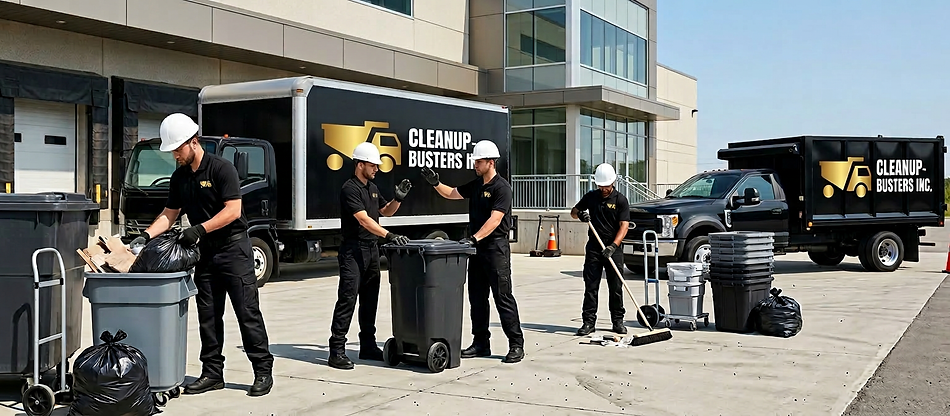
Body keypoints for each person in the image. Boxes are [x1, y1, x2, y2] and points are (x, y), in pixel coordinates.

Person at [130, 113, 274, 396]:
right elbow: (169, 215)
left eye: (177, 149)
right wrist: (146, 235)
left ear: (193, 142)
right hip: (205, 255)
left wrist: (198, 229)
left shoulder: (222, 169)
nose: (174, 155)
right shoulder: (180, 177)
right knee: (208, 316)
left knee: (247, 313)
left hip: (234, 250)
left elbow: (233, 210)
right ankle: (212, 373)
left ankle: (262, 371)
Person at [421, 140, 525, 364]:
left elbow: (495, 220)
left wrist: (474, 237)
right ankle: (481, 343)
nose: (475, 165)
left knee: (503, 297)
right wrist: (436, 183)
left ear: (491, 162)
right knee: (477, 298)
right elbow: (451, 194)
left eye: (478, 161)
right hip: (476, 249)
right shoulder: (477, 185)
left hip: (495, 248)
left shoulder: (502, 188)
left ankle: (516, 344)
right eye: (475, 161)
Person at [328, 142, 412, 370]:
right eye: (373, 165)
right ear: (360, 164)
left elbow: (385, 212)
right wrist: (389, 235)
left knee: (370, 300)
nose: (376, 169)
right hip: (353, 251)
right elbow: (364, 219)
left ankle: (367, 345)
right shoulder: (350, 188)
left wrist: (398, 199)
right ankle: (336, 350)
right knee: (347, 299)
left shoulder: (372, 188)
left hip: (371, 250)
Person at [570, 163, 630, 336]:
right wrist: (580, 215)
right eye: (601, 186)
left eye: (607, 186)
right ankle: (589, 322)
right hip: (594, 248)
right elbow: (574, 212)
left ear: (613, 182)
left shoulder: (620, 200)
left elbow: (624, 226)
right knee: (591, 286)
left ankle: (618, 321)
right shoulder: (591, 197)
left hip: (613, 249)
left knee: (616, 287)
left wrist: (613, 246)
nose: (603, 189)